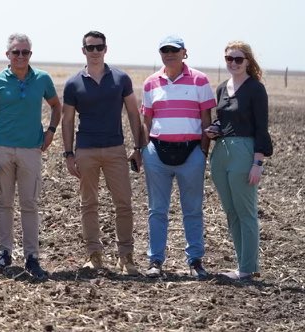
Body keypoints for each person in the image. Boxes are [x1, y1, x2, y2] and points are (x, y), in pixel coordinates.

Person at [61, 31, 143, 275]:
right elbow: (67, 120)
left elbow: (133, 113)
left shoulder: (121, 78)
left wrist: (137, 148)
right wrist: (68, 154)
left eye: (99, 47)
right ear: (83, 50)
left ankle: (126, 257)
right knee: (89, 204)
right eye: (90, 48)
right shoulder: (73, 83)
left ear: (106, 49)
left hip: (115, 149)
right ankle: (94, 255)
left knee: (124, 204)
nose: (95, 52)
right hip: (85, 150)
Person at [0, 33, 61, 280]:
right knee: (4, 203)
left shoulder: (42, 79)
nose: (20, 56)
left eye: (25, 52)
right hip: (2, 150)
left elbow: (56, 106)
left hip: (31, 150)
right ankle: (4, 253)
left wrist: (50, 131)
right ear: (8, 55)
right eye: (16, 52)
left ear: (30, 55)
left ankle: (32, 257)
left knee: (30, 204)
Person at [140, 35, 216, 279]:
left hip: (191, 153)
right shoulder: (151, 83)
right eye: (165, 50)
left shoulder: (200, 81)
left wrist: (202, 152)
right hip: (157, 154)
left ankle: (195, 261)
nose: (169, 54)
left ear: (184, 52)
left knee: (192, 210)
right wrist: (143, 149)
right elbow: (146, 122)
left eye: (174, 50)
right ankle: (155, 261)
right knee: (157, 210)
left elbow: (207, 120)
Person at [206, 41, 273, 280]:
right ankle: (242, 265)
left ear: (248, 61)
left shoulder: (256, 89)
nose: (233, 63)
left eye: (238, 59)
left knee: (246, 212)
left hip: (245, 152)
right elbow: (224, 121)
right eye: (228, 59)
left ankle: (248, 268)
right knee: (231, 212)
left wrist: (258, 163)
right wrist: (214, 129)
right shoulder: (222, 88)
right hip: (221, 153)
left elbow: (261, 128)